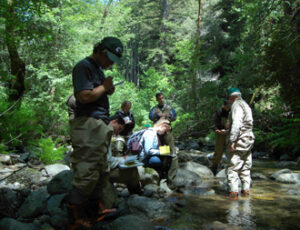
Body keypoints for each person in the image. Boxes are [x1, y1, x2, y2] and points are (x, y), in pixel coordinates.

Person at [66, 36, 124, 229]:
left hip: (99, 123)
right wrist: (104, 87)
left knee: (100, 169)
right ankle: (75, 216)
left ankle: (95, 210)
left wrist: (106, 90)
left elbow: (95, 92)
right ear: (101, 51)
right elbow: (83, 96)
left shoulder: (98, 69)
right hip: (88, 124)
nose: (110, 64)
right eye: (110, 59)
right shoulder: (84, 66)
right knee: (86, 169)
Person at [226, 88, 255, 200]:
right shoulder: (246, 105)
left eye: (229, 98)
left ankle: (233, 193)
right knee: (245, 166)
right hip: (249, 138)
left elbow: (237, 123)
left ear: (232, 97)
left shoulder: (236, 105)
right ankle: (245, 191)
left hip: (240, 140)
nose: (229, 100)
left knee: (233, 167)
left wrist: (232, 140)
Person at [149, 93, 177, 187]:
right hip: (158, 133)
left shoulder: (169, 108)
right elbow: (151, 117)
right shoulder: (154, 109)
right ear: (157, 99)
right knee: (163, 152)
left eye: (162, 98)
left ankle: (171, 178)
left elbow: (174, 117)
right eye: (159, 99)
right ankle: (163, 173)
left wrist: (166, 115)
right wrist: (158, 115)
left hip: (167, 132)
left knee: (172, 153)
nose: (161, 100)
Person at [211, 100, 230, 175]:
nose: (228, 108)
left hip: (230, 133)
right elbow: (216, 122)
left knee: (230, 151)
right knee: (218, 151)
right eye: (226, 106)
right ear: (223, 105)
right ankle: (214, 168)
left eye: (229, 106)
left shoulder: (232, 113)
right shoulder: (219, 113)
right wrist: (222, 128)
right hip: (220, 133)